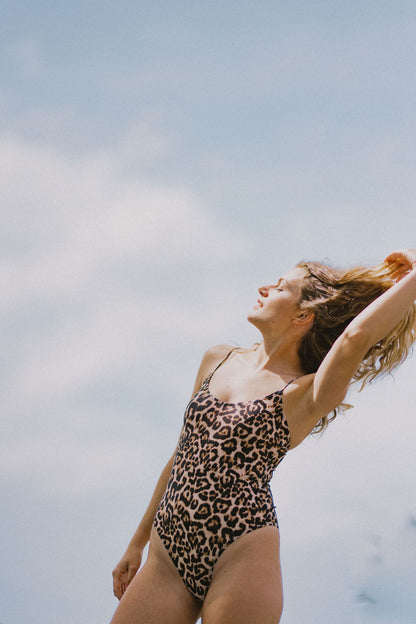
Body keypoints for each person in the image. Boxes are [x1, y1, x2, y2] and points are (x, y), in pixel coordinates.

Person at [110, 249, 416, 624]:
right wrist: (137, 542)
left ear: (303, 314)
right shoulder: (218, 359)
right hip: (166, 553)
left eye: (280, 287)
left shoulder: (303, 394)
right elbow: (182, 454)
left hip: (240, 551)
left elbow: (355, 338)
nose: (264, 287)